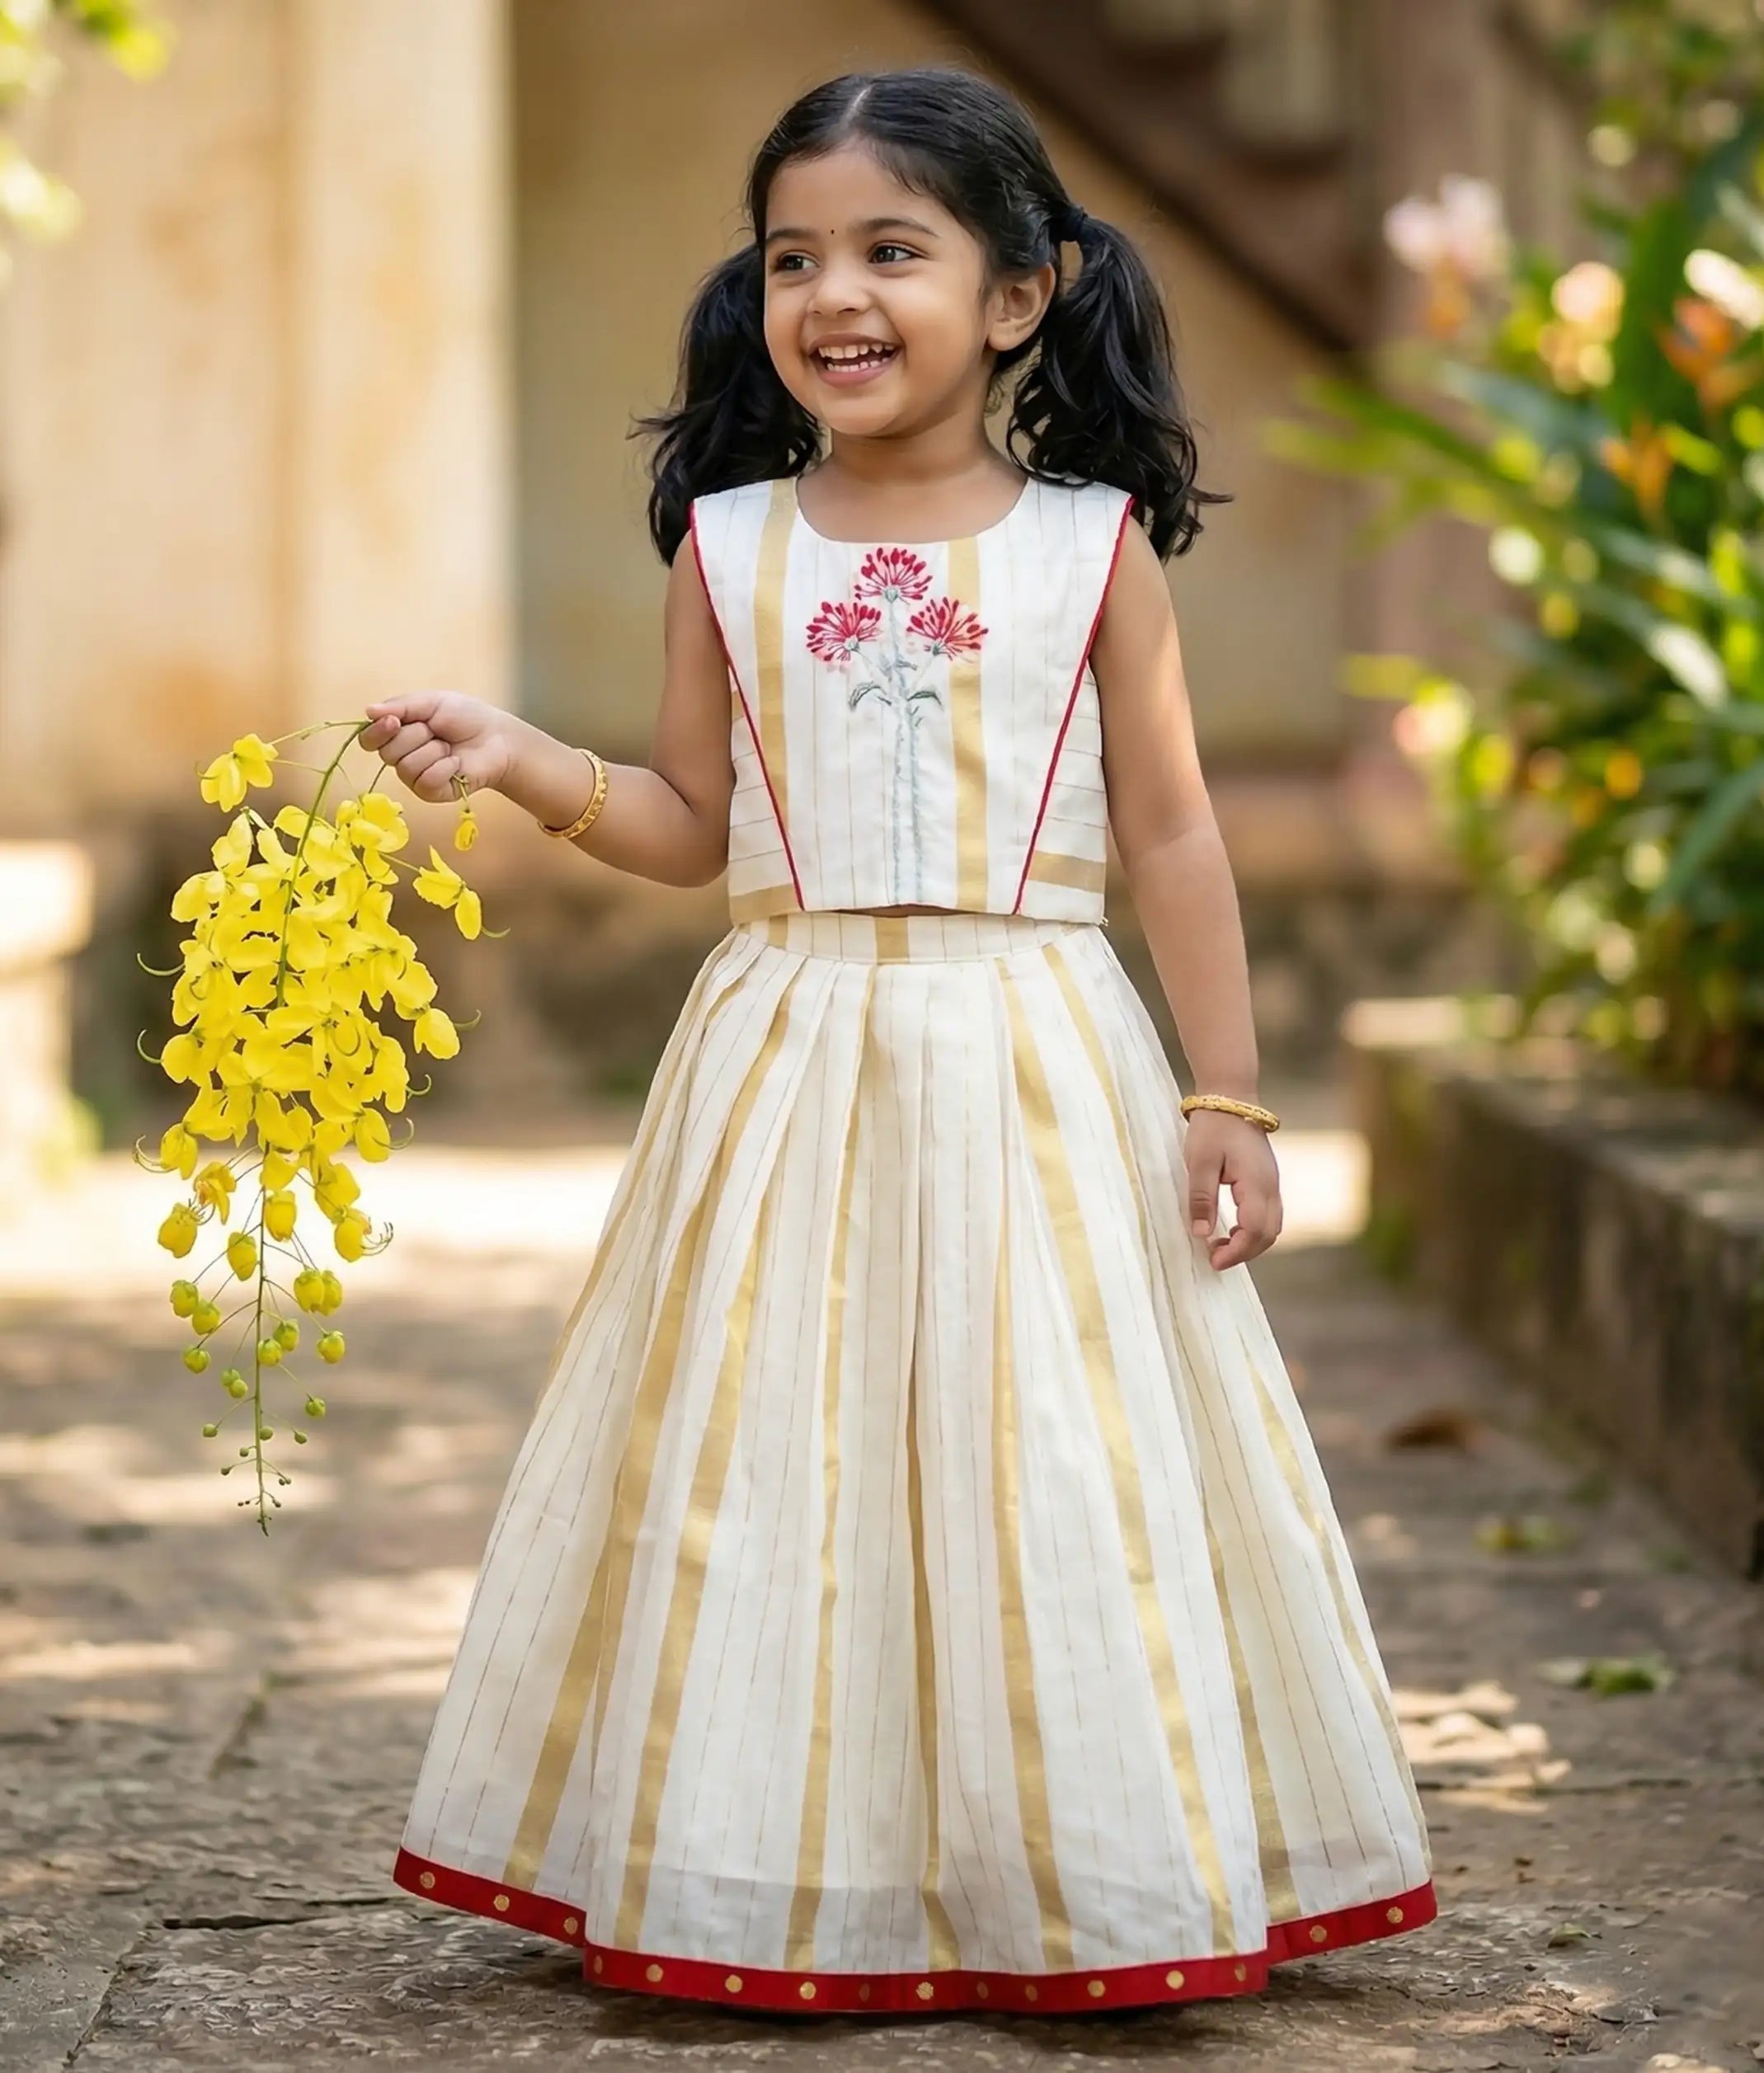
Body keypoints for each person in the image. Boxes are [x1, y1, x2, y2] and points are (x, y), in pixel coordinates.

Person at [360, 65, 1436, 2019]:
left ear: (1017, 295)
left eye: (888, 250)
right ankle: (784, 1867)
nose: (830, 294)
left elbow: (1174, 831)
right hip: (787, 1059)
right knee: (768, 1454)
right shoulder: (731, 541)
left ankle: (1085, 1868)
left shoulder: (1093, 548)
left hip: (1037, 1050)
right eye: (791, 256)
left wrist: (1224, 1091)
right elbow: (698, 830)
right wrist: (522, 766)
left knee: (1056, 1447)